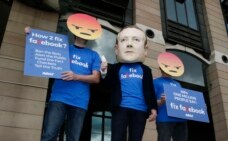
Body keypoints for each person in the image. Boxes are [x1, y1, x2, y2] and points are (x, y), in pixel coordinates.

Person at [24, 13, 102, 141]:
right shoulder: (63, 48)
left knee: (73, 138)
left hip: (80, 102)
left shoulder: (94, 55)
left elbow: (96, 78)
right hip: (59, 98)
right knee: (49, 135)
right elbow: (40, 46)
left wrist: (75, 76)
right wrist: (30, 35)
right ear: (74, 32)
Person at [101, 25, 157, 141]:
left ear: (145, 50)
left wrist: (153, 108)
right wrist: (103, 72)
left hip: (140, 110)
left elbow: (150, 90)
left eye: (136, 40)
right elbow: (106, 86)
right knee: (116, 138)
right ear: (116, 49)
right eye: (124, 40)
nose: (129, 44)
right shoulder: (115, 68)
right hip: (120, 108)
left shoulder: (146, 70)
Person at [153, 52, 187, 141]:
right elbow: (151, 102)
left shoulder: (178, 84)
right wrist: (161, 101)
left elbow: (184, 101)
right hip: (164, 119)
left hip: (181, 120)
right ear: (161, 67)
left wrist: (199, 107)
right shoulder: (155, 82)